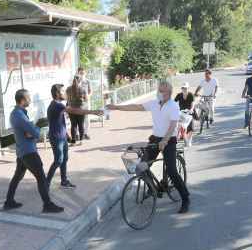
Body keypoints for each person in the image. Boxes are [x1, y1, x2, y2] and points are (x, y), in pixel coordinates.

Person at [107, 81, 191, 213]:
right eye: (159, 90)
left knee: (172, 170)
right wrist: (117, 107)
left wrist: (165, 140)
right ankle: (154, 189)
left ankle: (185, 198)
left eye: (162, 91)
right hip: (155, 139)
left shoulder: (173, 106)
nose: (159, 93)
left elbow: (173, 125)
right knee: (140, 168)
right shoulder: (153, 104)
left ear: (169, 93)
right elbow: (136, 107)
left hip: (169, 140)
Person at [4, 89, 64, 213]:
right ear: (22, 100)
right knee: (41, 178)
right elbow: (36, 132)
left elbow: (30, 131)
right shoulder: (19, 115)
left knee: (17, 177)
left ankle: (9, 201)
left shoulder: (16, 113)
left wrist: (31, 131)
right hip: (28, 152)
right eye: (28, 98)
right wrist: (34, 130)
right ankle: (47, 205)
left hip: (22, 152)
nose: (30, 100)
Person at [46, 84, 103, 190]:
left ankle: (64, 181)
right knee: (58, 160)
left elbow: (60, 122)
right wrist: (93, 112)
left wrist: (67, 135)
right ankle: (46, 183)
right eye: (63, 91)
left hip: (62, 137)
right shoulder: (56, 105)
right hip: (56, 138)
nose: (65, 93)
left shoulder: (58, 104)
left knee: (64, 159)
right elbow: (76, 111)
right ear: (57, 94)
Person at [66, 75, 86, 145]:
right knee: (81, 125)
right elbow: (86, 99)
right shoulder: (82, 89)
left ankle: (73, 141)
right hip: (81, 109)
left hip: (71, 109)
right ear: (80, 81)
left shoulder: (68, 89)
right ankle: (81, 141)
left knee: (73, 125)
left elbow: (67, 99)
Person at [174, 82, 195, 147]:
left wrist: (191, 109)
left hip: (189, 113)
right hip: (181, 113)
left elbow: (193, 103)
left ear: (188, 88)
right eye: (183, 88)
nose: (184, 89)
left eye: (185, 88)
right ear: (181, 88)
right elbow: (173, 102)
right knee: (179, 126)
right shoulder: (179, 95)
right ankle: (179, 137)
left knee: (191, 127)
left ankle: (190, 139)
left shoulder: (190, 95)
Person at [77, 67, 93, 140]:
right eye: (81, 73)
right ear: (78, 73)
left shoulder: (87, 81)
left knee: (87, 118)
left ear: (85, 73)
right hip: (79, 103)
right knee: (79, 118)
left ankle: (86, 133)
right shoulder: (76, 81)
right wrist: (79, 82)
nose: (82, 74)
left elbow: (90, 91)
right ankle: (79, 134)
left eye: (83, 73)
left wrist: (88, 96)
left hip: (86, 102)